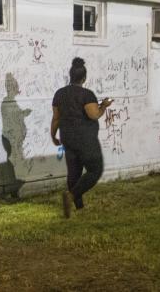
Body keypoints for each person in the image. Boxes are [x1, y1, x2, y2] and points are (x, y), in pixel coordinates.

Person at [50, 57, 112, 217]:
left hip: (67, 138)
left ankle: (78, 208)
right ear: (84, 78)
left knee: (74, 173)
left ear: (70, 76)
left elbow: (56, 118)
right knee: (95, 170)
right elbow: (93, 115)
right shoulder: (87, 94)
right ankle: (70, 197)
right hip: (85, 139)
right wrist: (103, 106)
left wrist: (53, 135)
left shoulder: (59, 94)